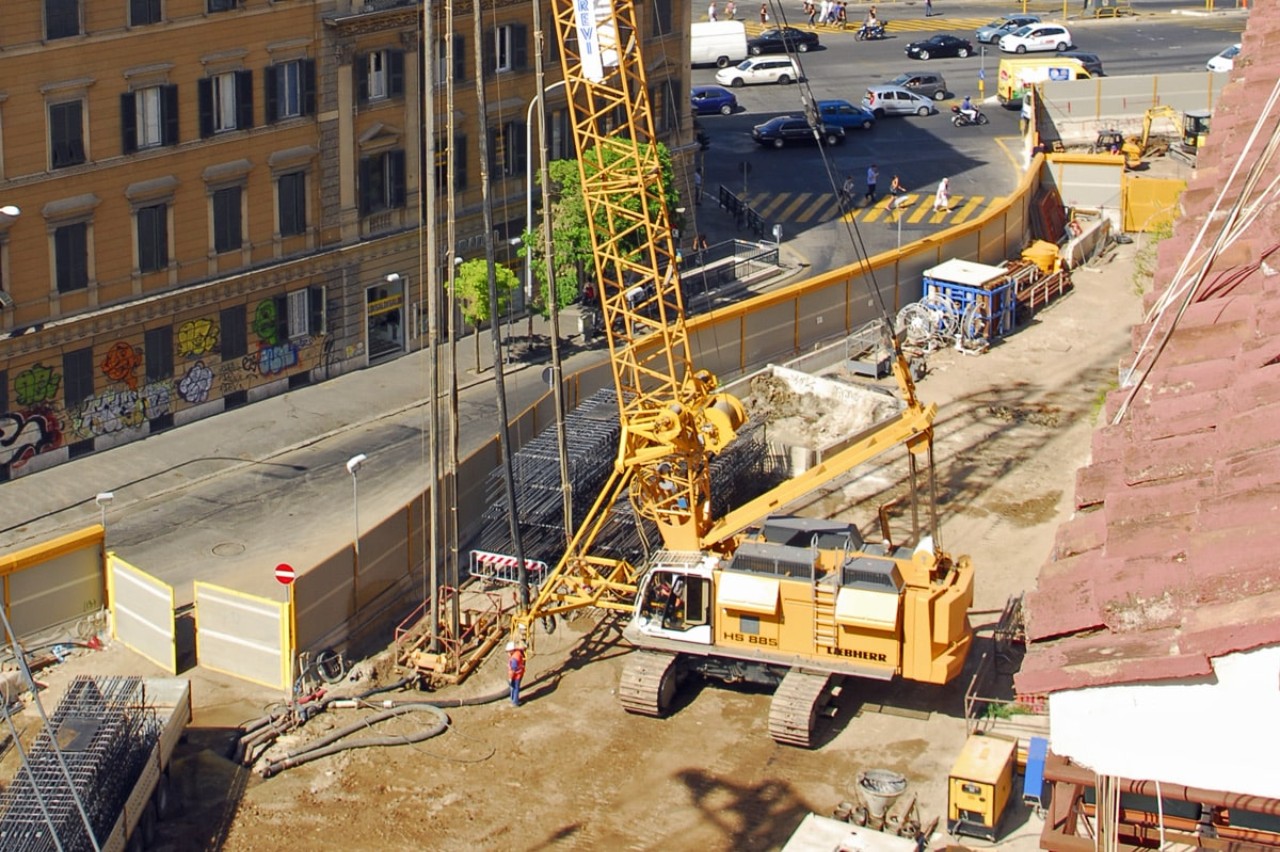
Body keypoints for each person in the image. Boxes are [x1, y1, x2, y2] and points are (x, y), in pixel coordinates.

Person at [506, 640, 526, 707]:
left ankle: (515, 701)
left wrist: (510, 678)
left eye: (508, 651)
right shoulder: (518, 653)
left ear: (512, 650)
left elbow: (513, 670)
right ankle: (513, 700)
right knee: (515, 688)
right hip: (519, 674)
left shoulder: (514, 658)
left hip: (516, 676)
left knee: (515, 688)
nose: (507, 652)